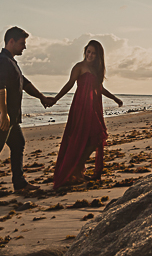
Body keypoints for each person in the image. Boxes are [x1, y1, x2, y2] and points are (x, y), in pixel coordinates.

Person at [0, 27, 53, 201]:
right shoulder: (2, 62)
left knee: (18, 144)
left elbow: (24, 84)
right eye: (22, 43)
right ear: (11, 41)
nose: (24, 47)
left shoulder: (10, 61)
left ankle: (19, 183)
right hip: (1, 118)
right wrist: (3, 114)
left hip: (9, 118)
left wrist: (41, 97)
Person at [48, 40, 123, 189]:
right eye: (88, 52)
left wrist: (114, 98)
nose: (90, 55)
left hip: (93, 106)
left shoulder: (96, 70)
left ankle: (77, 168)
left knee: (96, 137)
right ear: (85, 51)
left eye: (94, 53)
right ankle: (75, 170)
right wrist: (55, 99)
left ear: (98, 56)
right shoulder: (79, 67)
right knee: (81, 137)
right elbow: (69, 84)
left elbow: (100, 88)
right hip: (81, 106)